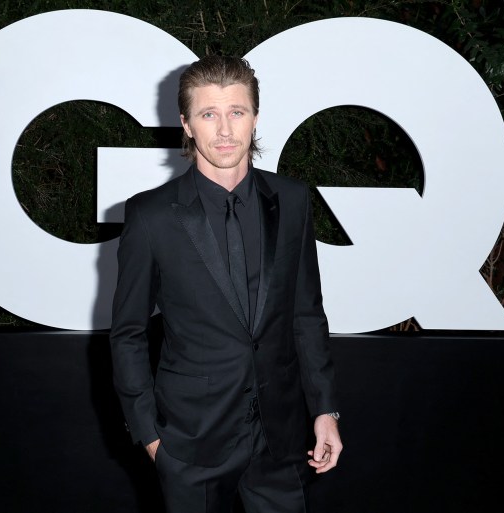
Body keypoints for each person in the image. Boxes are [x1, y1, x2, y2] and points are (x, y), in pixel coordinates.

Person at [110, 55, 341, 513]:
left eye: (236, 112)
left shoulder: (293, 200)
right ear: (186, 124)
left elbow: (306, 315)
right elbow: (129, 333)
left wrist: (325, 410)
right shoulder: (150, 216)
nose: (224, 130)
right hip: (190, 441)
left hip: (283, 438)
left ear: (255, 117)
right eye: (208, 114)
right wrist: (150, 436)